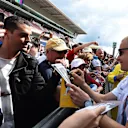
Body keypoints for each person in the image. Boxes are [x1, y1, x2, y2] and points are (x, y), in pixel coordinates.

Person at [0, 16, 61, 128]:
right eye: (23, 35)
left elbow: (40, 96)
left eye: (29, 36)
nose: (28, 40)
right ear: (7, 34)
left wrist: (56, 76)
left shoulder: (30, 63)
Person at [67, 36, 128, 127]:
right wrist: (83, 84)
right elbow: (102, 99)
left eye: (121, 52)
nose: (118, 58)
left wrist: (89, 106)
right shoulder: (126, 81)